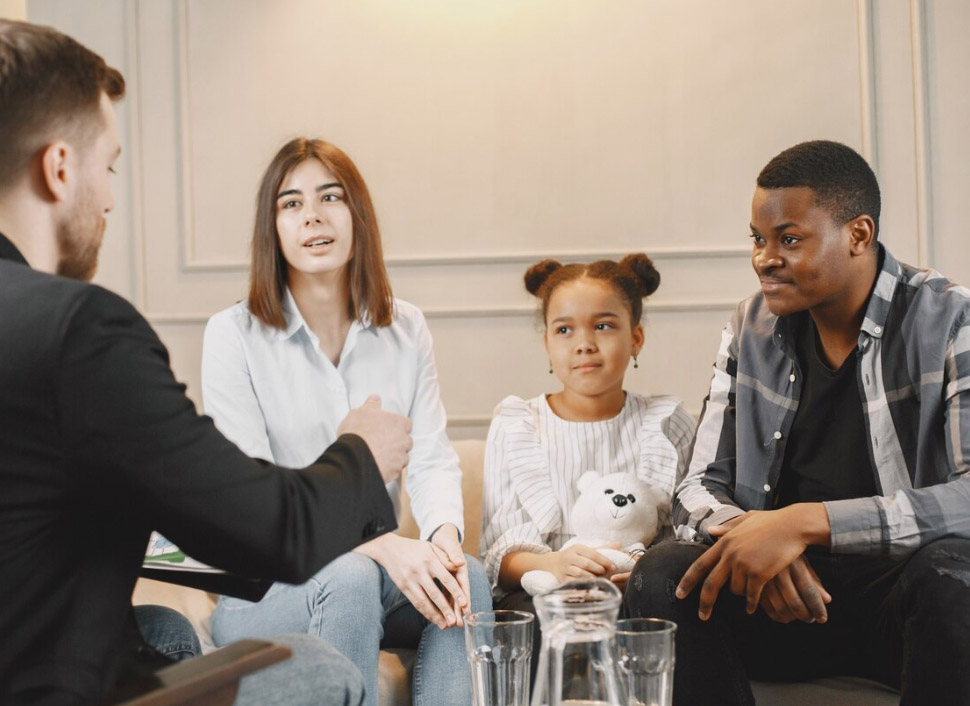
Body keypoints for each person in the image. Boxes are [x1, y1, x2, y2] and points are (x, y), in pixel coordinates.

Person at [0, 19, 414, 706]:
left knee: (162, 629)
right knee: (322, 669)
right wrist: (362, 453)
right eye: (109, 167)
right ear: (60, 168)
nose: (109, 198)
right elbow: (271, 531)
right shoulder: (80, 330)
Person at [623, 140, 970, 705]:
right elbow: (698, 484)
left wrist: (805, 523)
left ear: (858, 234)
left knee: (955, 575)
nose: (764, 259)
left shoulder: (951, 319)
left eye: (788, 239)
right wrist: (756, 540)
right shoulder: (749, 326)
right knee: (663, 573)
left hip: (903, 599)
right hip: (777, 599)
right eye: (757, 240)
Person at [200, 137, 492, 706]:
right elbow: (257, 494)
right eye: (291, 203)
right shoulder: (232, 335)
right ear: (272, 228)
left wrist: (444, 545)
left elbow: (431, 458)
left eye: (330, 197)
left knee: (469, 577)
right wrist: (382, 547)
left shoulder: (406, 327)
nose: (312, 215)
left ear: (357, 213)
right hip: (265, 588)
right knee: (350, 575)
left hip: (372, 572)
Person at [480, 254, 696, 679]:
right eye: (564, 330)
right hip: (544, 588)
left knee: (662, 614)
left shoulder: (666, 423)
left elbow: (685, 538)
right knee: (537, 620)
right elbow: (499, 553)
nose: (584, 344)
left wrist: (637, 573)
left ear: (636, 338)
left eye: (603, 326)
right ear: (547, 343)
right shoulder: (517, 425)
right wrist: (552, 566)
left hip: (639, 587)